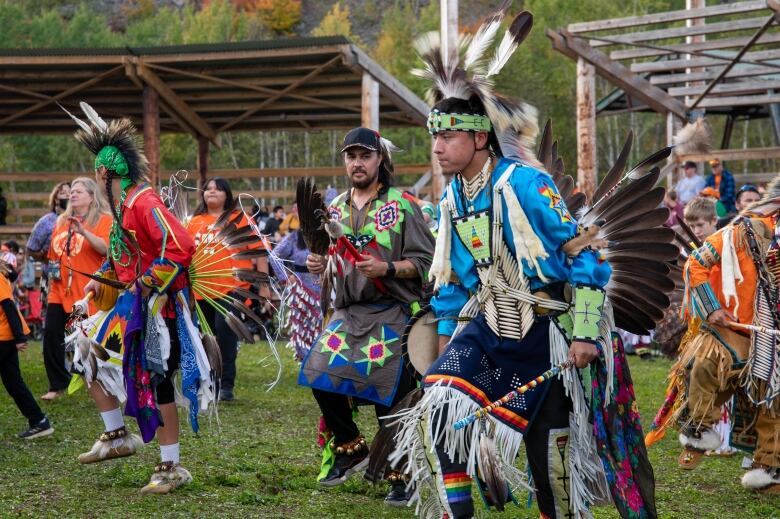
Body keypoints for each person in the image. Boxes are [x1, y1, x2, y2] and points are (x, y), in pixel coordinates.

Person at [389, 10, 661, 519]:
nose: (439, 147)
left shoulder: (524, 185)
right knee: (441, 399)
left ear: (480, 139)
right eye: (435, 138)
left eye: (449, 137)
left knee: (547, 452)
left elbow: (584, 253)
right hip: (487, 325)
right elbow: (451, 281)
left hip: (545, 326)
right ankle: (458, 511)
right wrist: (447, 339)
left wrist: (583, 332)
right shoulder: (454, 200)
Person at [66, 104, 215, 495]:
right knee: (86, 351)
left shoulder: (144, 202)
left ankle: (172, 465)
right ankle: (116, 434)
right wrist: (102, 278)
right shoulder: (126, 205)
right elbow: (126, 258)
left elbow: (181, 247)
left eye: (96, 173)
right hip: (133, 305)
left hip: (158, 309)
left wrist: (148, 282)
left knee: (158, 380)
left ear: (104, 172)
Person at [299, 127, 434, 505]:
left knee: (388, 400)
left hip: (392, 311)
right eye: (350, 156)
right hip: (348, 313)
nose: (357, 163)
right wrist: (319, 263)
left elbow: (427, 262)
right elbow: (332, 261)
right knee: (320, 375)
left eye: (365, 156)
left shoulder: (403, 204)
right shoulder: (335, 207)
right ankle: (350, 447)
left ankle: (401, 474)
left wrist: (387, 269)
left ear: (380, 160)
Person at [675, 175, 780, 492]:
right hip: (735, 328)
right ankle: (700, 430)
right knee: (706, 365)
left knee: (772, 402)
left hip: (771, 335)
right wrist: (711, 308)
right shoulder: (738, 232)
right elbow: (695, 264)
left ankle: (769, 469)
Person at [186, 177, 270, 401]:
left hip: (230, 289)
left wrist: (264, 287)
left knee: (225, 335)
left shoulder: (239, 219)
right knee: (206, 337)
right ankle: (209, 381)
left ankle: (226, 384)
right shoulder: (193, 222)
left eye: (217, 189)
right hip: (200, 290)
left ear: (227, 194)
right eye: (208, 189)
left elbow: (260, 252)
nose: (211, 192)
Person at [40, 177, 111, 401]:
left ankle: (96, 379)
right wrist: (51, 277)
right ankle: (57, 383)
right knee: (51, 334)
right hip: (59, 289)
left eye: (79, 191)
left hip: (87, 291)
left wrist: (83, 232)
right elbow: (53, 255)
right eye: (72, 191)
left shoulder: (104, 220)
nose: (73, 194)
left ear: (92, 196)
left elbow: (107, 250)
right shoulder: (61, 221)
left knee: (87, 341)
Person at [0, 258, 53, 439]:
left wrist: (19, 337)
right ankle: (39, 421)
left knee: (14, 382)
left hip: (3, 337)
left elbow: (9, 307)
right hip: (5, 337)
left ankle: (38, 420)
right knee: (13, 382)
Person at [273, 228, 321, 361]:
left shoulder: (327, 236)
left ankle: (323, 363)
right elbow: (274, 256)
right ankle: (306, 362)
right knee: (303, 328)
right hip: (301, 290)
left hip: (326, 288)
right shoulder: (294, 237)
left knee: (325, 325)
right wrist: (286, 277)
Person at [26, 182, 71, 304]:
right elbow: (30, 249)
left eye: (69, 193)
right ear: (56, 199)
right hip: (51, 270)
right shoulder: (46, 221)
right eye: (63, 193)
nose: (67, 196)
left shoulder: (79, 219)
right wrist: (44, 257)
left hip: (73, 274)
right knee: (51, 304)